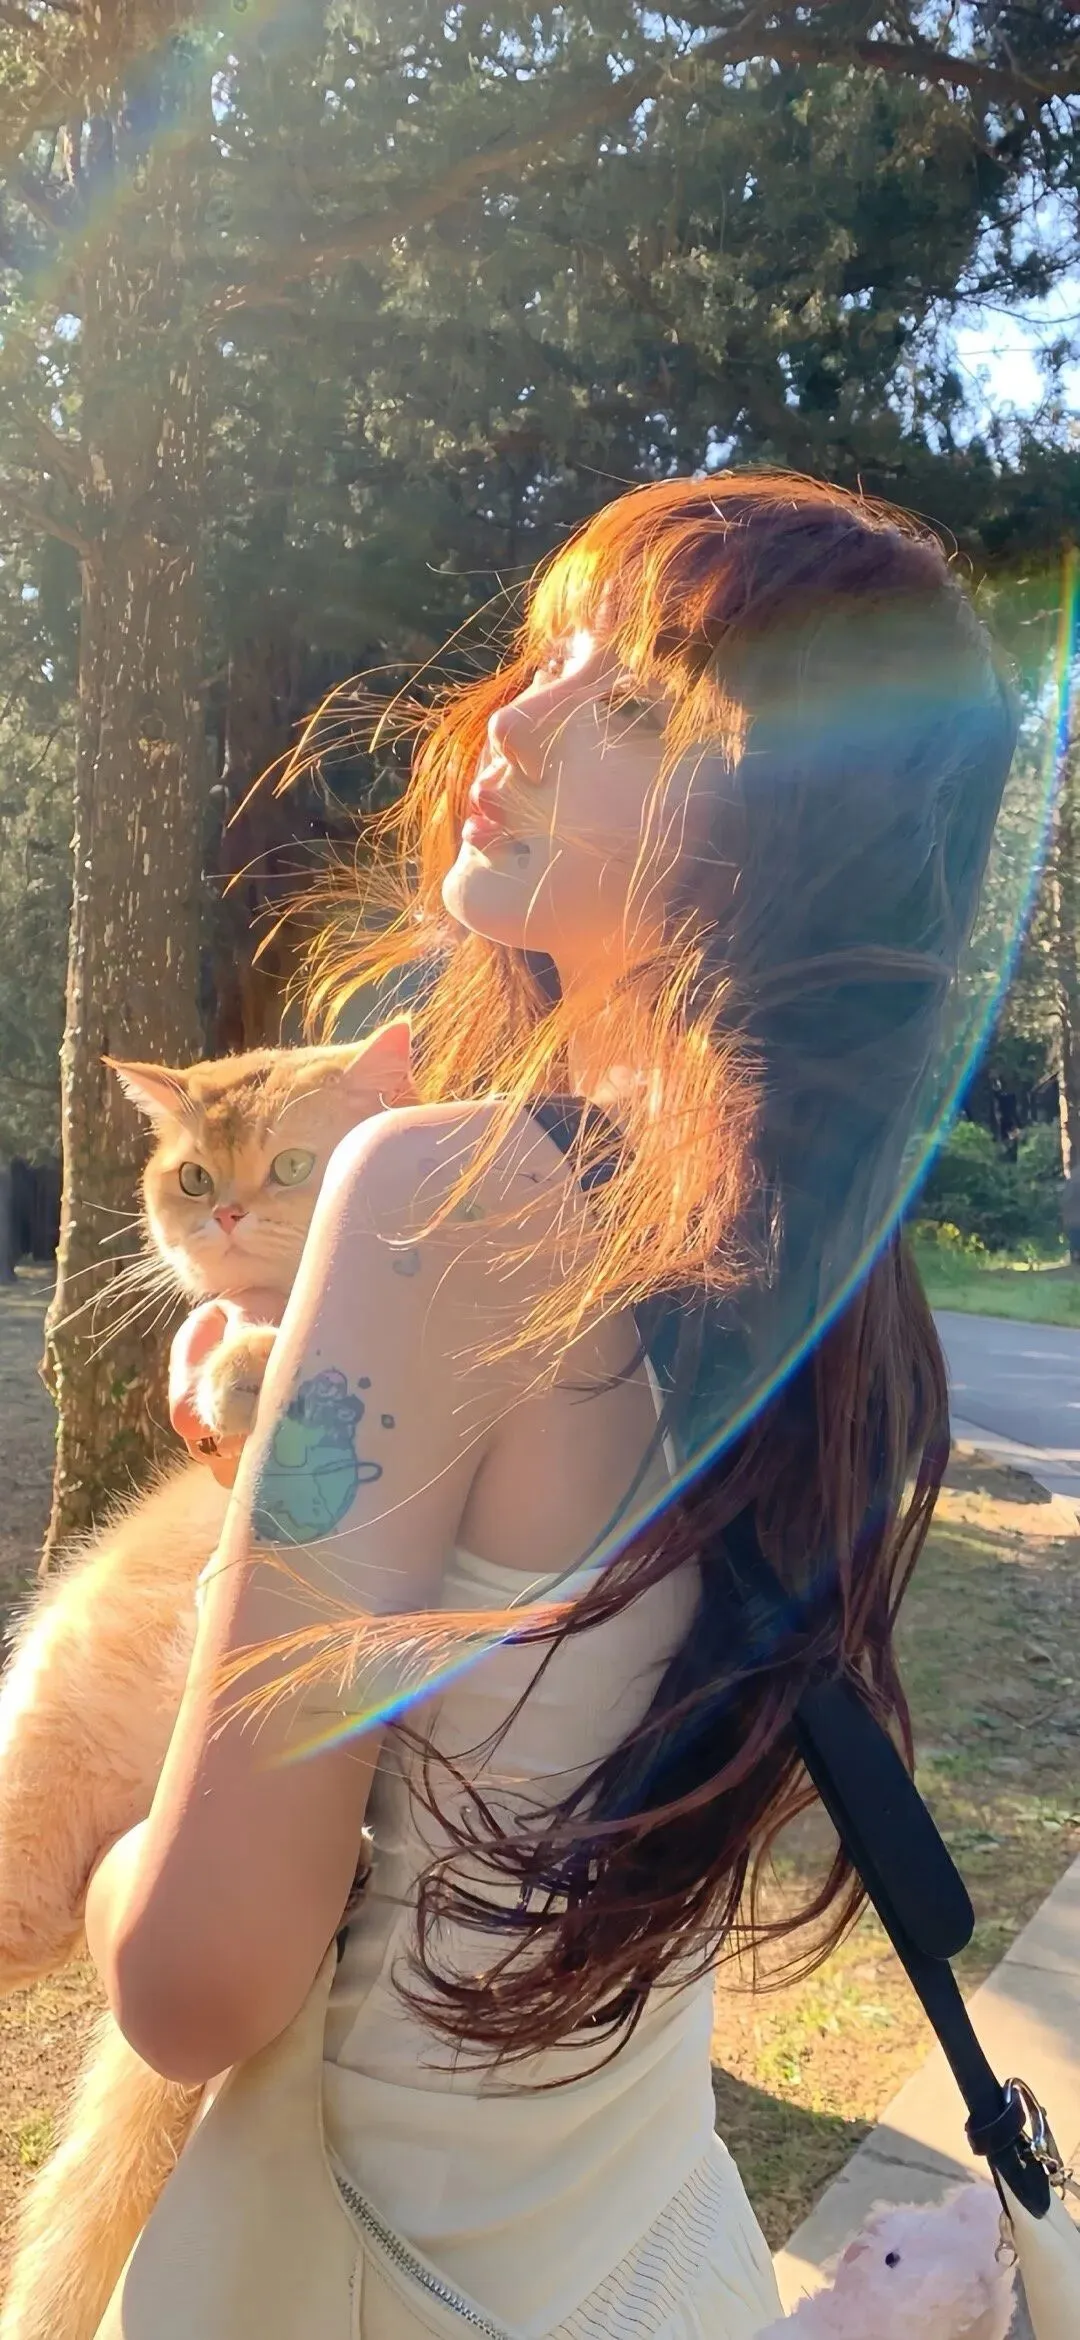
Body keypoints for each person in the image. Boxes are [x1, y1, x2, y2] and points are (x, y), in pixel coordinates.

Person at [85, 475, 1017, 2340]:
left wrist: (105, 1859)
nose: (516, 718)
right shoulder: (847, 1307)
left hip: (373, 2270)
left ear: (792, 824)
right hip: (649, 2251)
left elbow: (195, 1985)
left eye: (639, 703)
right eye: (544, 657)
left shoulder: (444, 1195)